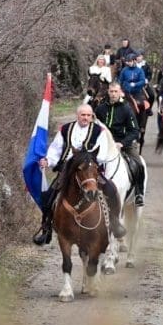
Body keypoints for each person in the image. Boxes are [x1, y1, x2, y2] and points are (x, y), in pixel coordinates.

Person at [32, 103, 127, 246]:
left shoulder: (99, 131)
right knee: (49, 196)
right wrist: (48, 160)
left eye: (88, 115)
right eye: (83, 115)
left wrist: (87, 160)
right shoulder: (65, 129)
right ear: (78, 115)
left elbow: (102, 154)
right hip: (67, 170)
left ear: (91, 116)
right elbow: (56, 149)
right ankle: (46, 228)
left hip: (89, 170)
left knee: (111, 190)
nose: (86, 118)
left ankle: (115, 222)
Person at [95, 82, 145, 206]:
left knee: (139, 164)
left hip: (123, 144)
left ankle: (138, 194)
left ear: (120, 92)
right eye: (111, 91)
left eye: (115, 91)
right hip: (104, 144)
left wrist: (122, 143)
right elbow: (95, 127)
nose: (113, 94)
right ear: (108, 92)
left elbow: (134, 131)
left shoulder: (126, 109)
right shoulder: (100, 109)